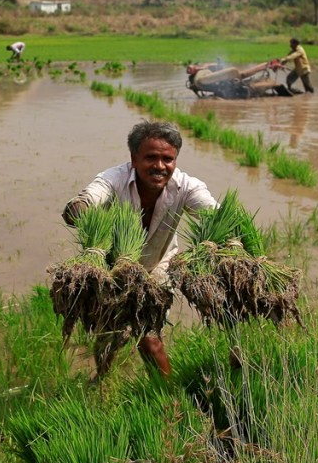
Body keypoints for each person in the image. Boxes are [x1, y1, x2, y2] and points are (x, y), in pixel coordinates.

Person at [62, 121, 218, 379]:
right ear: (134, 159)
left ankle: (166, 396)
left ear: (175, 160)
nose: (159, 166)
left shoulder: (187, 186)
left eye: (167, 159)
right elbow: (89, 198)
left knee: (149, 336)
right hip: (114, 266)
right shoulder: (114, 179)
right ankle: (102, 379)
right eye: (151, 158)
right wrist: (82, 211)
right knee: (108, 332)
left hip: (158, 266)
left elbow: (214, 213)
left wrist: (229, 239)